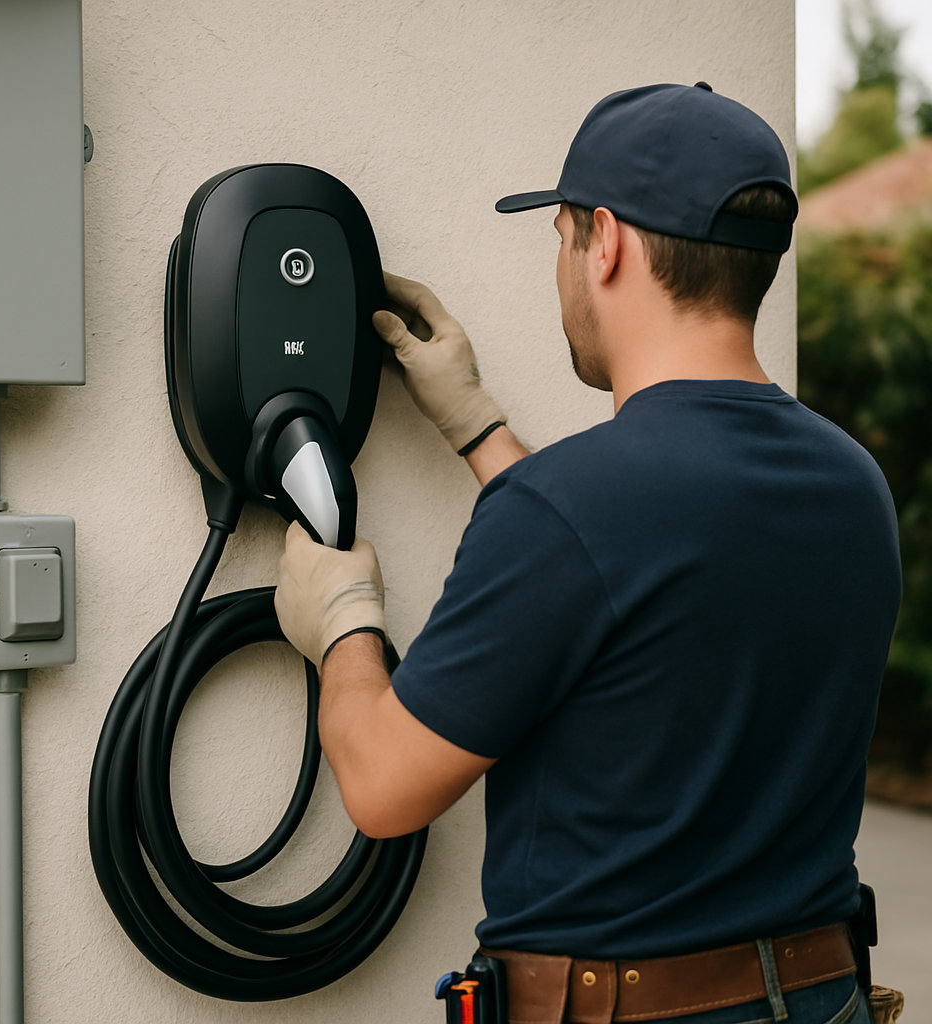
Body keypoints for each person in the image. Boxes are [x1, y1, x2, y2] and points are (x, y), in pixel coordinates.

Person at [273, 83, 901, 1024]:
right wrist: (479, 426)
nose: (563, 267)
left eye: (562, 238)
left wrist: (342, 628)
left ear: (605, 242)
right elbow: (642, 565)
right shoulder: (853, 483)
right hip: (823, 998)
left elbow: (382, 788)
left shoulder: (567, 509)